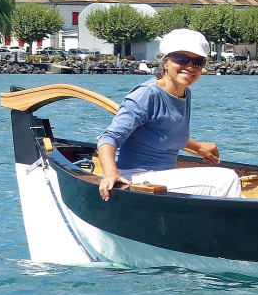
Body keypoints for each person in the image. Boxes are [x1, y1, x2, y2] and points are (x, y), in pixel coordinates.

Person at [96, 28, 242, 201]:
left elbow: (162, 132)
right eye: (181, 59)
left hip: (162, 176)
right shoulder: (147, 94)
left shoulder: (184, 93)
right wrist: (111, 175)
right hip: (133, 177)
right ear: (165, 62)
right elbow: (108, 138)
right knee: (226, 180)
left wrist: (199, 148)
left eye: (197, 62)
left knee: (229, 186)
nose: (190, 67)